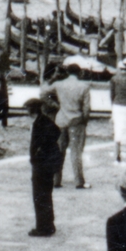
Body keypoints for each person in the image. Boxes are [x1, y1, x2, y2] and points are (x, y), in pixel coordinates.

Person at [53, 65, 92, 188]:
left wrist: (55, 106)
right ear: (79, 73)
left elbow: (44, 94)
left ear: (67, 72)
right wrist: (84, 120)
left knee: (59, 151)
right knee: (76, 152)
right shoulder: (84, 87)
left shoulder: (58, 85)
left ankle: (56, 180)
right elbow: (86, 108)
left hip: (61, 119)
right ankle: (79, 181)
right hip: (76, 120)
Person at [26, 96, 59, 237]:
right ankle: (48, 225)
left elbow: (37, 144)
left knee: (40, 196)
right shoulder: (45, 120)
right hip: (48, 163)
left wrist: (40, 151)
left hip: (42, 164)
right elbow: (57, 132)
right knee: (46, 195)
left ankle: (43, 227)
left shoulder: (38, 123)